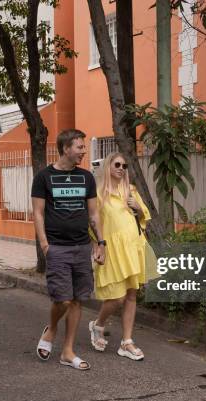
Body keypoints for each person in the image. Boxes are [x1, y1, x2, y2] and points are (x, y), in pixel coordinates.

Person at [31, 129, 105, 371]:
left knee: (77, 300)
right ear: (65, 149)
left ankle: (68, 351)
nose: (83, 151)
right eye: (80, 147)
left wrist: (101, 243)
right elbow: (39, 213)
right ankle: (51, 328)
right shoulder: (44, 177)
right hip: (58, 248)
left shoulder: (86, 178)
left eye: (83, 147)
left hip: (82, 246)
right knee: (62, 300)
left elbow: (93, 214)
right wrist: (44, 245)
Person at [88, 152, 152, 361]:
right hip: (112, 249)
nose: (121, 168)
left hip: (133, 247)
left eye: (124, 166)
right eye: (117, 164)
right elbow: (93, 222)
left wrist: (138, 208)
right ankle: (98, 325)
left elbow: (145, 217)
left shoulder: (131, 191)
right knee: (117, 297)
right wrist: (97, 246)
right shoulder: (98, 194)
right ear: (108, 167)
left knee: (132, 295)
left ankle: (127, 341)